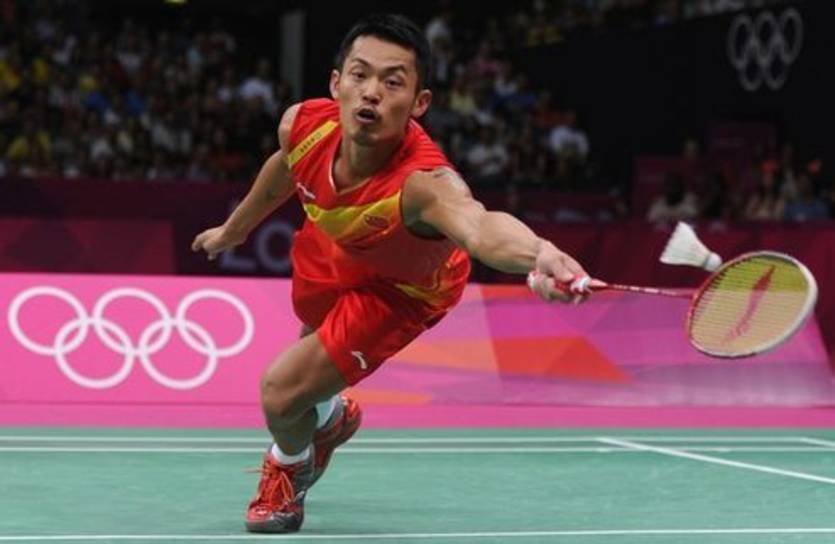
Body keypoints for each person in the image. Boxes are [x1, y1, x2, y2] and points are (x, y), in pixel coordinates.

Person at [191, 14, 597, 534]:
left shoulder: (424, 184)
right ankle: (329, 421)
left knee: (281, 393)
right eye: (360, 75)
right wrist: (234, 230)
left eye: (392, 82)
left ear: (419, 102)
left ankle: (288, 468)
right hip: (335, 243)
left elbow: (479, 227)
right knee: (311, 359)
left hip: (402, 287)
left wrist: (540, 252)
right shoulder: (303, 125)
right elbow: (284, 169)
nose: (371, 92)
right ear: (336, 83)